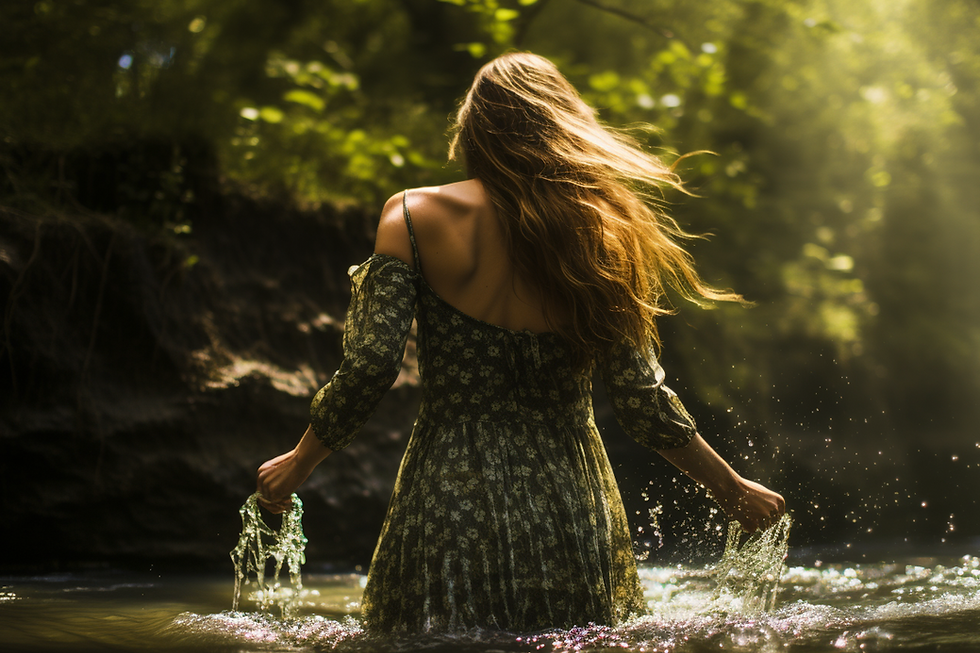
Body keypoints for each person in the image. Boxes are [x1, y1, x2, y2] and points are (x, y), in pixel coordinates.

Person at [255, 52, 785, 633]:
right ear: (563, 124)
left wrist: (299, 463)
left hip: (449, 494)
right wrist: (731, 489)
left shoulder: (412, 215)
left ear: (472, 128)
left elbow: (372, 366)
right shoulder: (602, 232)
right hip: (571, 506)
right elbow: (642, 400)